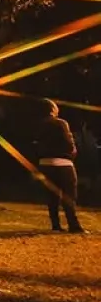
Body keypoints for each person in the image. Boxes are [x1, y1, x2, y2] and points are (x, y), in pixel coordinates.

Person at [31, 100, 88, 234]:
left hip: (45, 163)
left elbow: (35, 145)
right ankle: (73, 225)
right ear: (52, 109)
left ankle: (56, 225)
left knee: (52, 197)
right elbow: (68, 142)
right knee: (69, 195)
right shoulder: (60, 123)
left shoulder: (37, 125)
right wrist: (72, 152)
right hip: (63, 163)